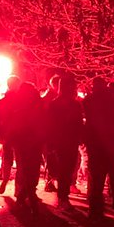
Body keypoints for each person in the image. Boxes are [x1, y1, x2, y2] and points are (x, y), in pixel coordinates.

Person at [83, 78, 114, 219]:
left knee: (96, 177)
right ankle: (109, 201)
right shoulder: (112, 100)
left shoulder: (89, 100)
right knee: (110, 173)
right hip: (109, 143)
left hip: (96, 143)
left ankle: (95, 207)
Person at [45, 72, 84, 209]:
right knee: (63, 170)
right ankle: (62, 197)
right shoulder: (55, 105)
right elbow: (50, 125)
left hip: (70, 141)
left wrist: (80, 137)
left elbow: (79, 123)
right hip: (61, 142)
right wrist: (51, 143)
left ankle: (63, 195)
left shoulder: (75, 105)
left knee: (68, 170)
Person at [8, 82, 45, 211]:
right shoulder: (20, 106)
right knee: (26, 170)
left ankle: (26, 194)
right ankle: (25, 196)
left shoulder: (35, 104)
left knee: (30, 170)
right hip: (24, 142)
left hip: (32, 142)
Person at [0, 75, 22, 196]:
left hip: (7, 134)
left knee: (8, 159)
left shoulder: (2, 101)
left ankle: (5, 180)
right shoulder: (21, 100)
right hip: (18, 134)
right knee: (19, 160)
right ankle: (17, 188)